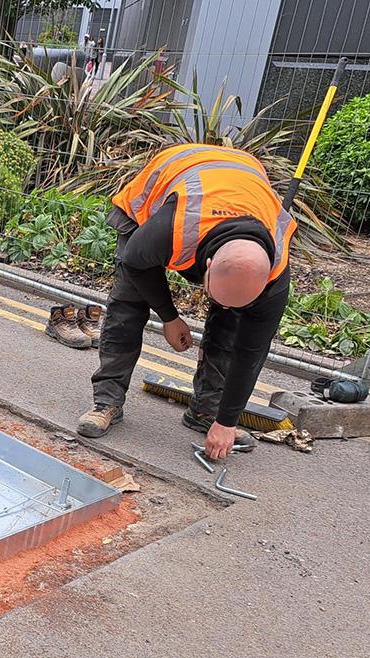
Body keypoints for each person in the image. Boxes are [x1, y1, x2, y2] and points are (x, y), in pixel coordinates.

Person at [76, 143, 296, 461]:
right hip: (160, 196)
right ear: (205, 267)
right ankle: (106, 400)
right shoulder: (169, 229)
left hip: (237, 189)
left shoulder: (275, 272)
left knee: (231, 326)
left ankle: (207, 412)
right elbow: (137, 262)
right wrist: (169, 316)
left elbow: (250, 353)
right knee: (128, 304)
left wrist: (227, 421)